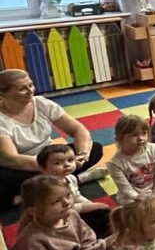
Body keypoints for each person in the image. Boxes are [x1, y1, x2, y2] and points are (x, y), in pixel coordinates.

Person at [0, 69, 104, 209]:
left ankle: (41, 188)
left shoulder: (41, 103)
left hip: (48, 160)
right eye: (22, 89)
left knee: (95, 148)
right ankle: (72, 179)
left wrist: (82, 154)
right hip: (19, 166)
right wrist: (51, 165)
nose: (30, 90)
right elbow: (12, 158)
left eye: (30, 85)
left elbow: (79, 130)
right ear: (2, 94)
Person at [108, 115, 155, 223]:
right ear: (120, 138)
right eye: (134, 135)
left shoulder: (154, 149)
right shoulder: (115, 163)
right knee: (140, 223)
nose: (141, 138)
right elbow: (126, 189)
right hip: (133, 198)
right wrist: (143, 202)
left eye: (144, 133)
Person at [36, 143, 111, 236]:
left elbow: (76, 196)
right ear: (42, 168)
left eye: (70, 160)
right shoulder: (47, 187)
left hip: (72, 210)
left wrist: (89, 204)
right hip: (57, 219)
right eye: (57, 163)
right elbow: (59, 209)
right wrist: (85, 207)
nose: (67, 165)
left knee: (102, 212)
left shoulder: (71, 178)